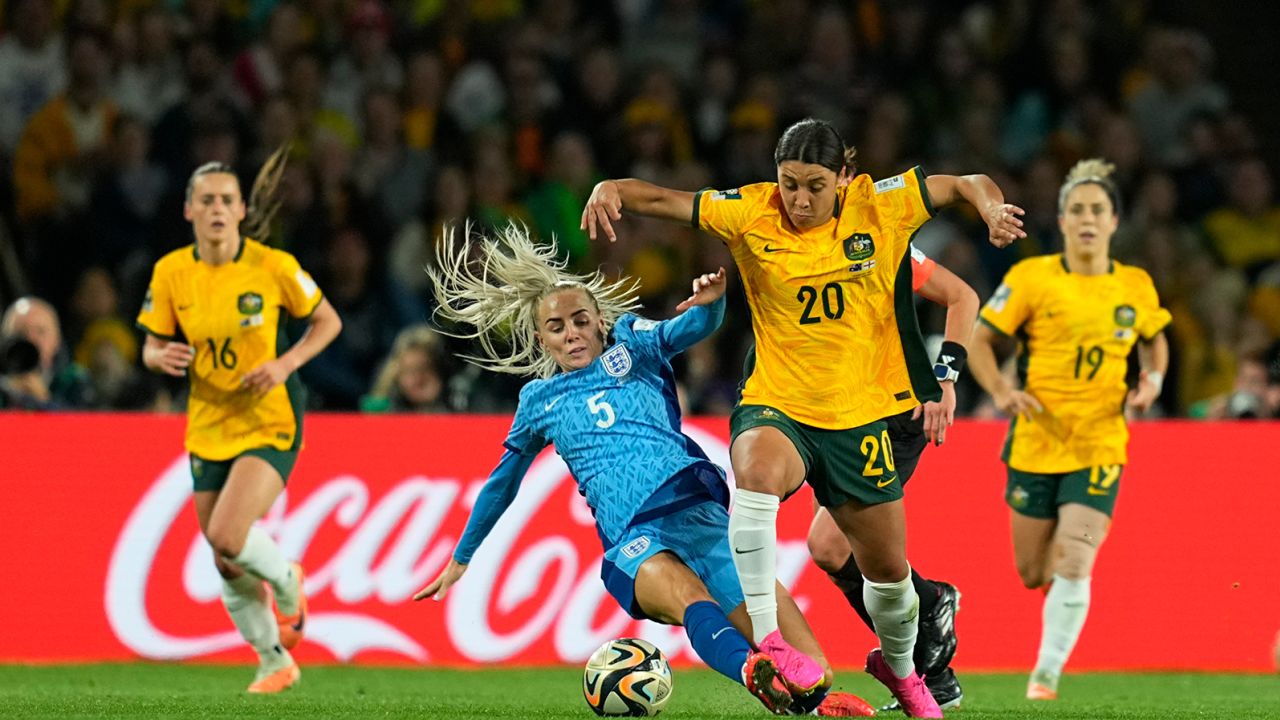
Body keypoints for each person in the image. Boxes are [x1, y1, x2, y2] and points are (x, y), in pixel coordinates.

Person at [582, 117, 1025, 718]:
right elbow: (663, 199)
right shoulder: (751, 211)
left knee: (888, 578)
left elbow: (966, 183)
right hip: (778, 403)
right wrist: (611, 187)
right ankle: (771, 643)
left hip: (861, 418)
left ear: (844, 177)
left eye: (815, 184)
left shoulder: (881, 209)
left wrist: (992, 208)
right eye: (789, 183)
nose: (799, 199)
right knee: (757, 473)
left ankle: (904, 674)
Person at [414, 224, 874, 718]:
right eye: (556, 327)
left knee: (812, 674)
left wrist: (713, 303)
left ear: (598, 320)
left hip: (701, 518)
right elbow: (503, 483)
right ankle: (749, 671)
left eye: (580, 320)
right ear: (539, 338)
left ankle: (815, 701)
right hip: (637, 539)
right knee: (689, 597)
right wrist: (462, 557)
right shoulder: (538, 401)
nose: (571, 333)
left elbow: (690, 329)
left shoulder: (633, 345)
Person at [136, 147, 343, 693]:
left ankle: (288, 578)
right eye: (206, 201)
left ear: (241, 211)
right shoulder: (172, 272)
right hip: (208, 421)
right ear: (189, 212)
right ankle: (274, 661)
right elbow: (151, 347)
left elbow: (327, 322)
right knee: (226, 560)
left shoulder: (273, 267)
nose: (217, 209)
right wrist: (160, 357)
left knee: (226, 533)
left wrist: (285, 363)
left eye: (227, 199)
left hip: (269, 416)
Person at [967, 159, 1171, 701]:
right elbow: (982, 340)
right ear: (1061, 220)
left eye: (1097, 210)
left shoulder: (1134, 285)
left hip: (1100, 441)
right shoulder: (1031, 278)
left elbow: (1155, 339)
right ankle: (1052, 634)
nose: (1086, 218)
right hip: (1035, 441)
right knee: (1033, 572)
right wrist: (1001, 392)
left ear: (1113, 221)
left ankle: (1046, 675)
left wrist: (1151, 380)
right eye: (1076, 209)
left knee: (1075, 558)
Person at [806, 246, 977, 712]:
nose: (802, 200)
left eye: (819, 185)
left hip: (895, 412)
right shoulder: (786, 243)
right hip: (837, 412)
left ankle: (929, 624)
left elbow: (962, 297)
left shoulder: (879, 238)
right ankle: (932, 666)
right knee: (831, 549)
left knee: (829, 544)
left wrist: (945, 378)